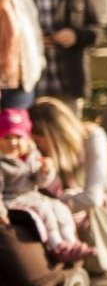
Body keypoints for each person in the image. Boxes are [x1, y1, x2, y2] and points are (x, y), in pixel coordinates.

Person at [18, 0, 102, 116]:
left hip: (68, 85)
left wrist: (76, 35)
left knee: (68, 142)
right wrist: (31, 40)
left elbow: (98, 31)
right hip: (28, 86)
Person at [0, 108, 96, 263]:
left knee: (60, 208)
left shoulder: (32, 155)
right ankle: (57, 246)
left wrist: (46, 171)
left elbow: (40, 182)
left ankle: (72, 242)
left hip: (32, 195)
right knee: (45, 211)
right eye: (6, 138)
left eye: (18, 137)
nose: (13, 143)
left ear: (27, 138)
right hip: (12, 200)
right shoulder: (2, 163)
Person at [27, 97, 107, 216]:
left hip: (92, 222)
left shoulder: (92, 138)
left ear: (55, 136)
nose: (36, 146)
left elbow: (92, 198)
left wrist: (50, 205)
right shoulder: (38, 153)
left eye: (38, 141)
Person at [0, 0, 44, 110]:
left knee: (17, 136)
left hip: (21, 84)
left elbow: (36, 41)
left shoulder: (23, 0)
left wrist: (38, 65)